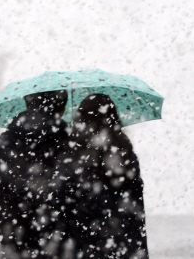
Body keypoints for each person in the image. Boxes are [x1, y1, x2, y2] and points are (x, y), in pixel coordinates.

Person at [0, 90, 70, 258]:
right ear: (62, 110)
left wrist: (8, 226)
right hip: (61, 247)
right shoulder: (73, 148)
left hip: (15, 246)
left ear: (27, 105)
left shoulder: (0, 145)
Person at [51, 94, 149, 258]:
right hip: (122, 245)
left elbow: (62, 205)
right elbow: (136, 210)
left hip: (82, 246)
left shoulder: (72, 156)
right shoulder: (125, 154)